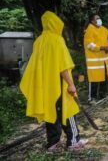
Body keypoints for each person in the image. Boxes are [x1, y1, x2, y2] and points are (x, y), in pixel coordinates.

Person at [20, 11, 87, 151]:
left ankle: (52, 143)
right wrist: (71, 84)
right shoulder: (57, 40)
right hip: (59, 84)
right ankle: (73, 142)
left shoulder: (39, 41)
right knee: (68, 112)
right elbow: (63, 66)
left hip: (45, 86)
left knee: (51, 113)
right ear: (55, 23)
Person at [84, 14, 108, 102]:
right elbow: (90, 45)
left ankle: (103, 95)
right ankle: (92, 98)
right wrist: (102, 47)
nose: (99, 19)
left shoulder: (102, 28)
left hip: (104, 59)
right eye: (97, 18)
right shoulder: (89, 30)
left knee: (105, 77)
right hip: (95, 61)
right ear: (92, 21)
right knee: (94, 80)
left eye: (99, 18)